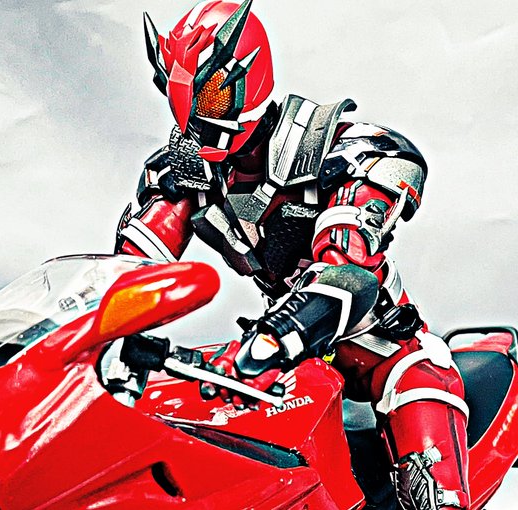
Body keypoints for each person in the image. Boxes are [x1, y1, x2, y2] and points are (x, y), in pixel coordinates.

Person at [114, 1, 469, 508]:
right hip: (293, 364)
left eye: (209, 93)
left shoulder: (342, 152)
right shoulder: (184, 174)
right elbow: (130, 273)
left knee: (432, 492)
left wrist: (275, 338)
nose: (194, 112)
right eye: (181, 91)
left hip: (383, 352)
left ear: (246, 78)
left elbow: (346, 267)